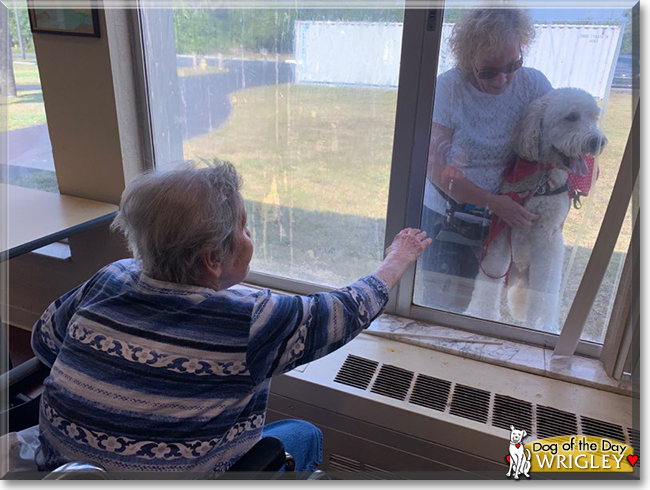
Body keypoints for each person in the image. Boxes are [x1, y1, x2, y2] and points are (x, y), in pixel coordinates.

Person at [30, 160, 431, 475]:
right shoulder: (249, 320)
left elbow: (44, 341)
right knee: (303, 435)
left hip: (61, 473)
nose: (250, 236)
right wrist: (398, 257)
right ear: (213, 259)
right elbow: (345, 311)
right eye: (244, 227)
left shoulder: (110, 277)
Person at [418, 8, 553, 312]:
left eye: (513, 65)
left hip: (501, 219)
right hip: (447, 216)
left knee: (487, 304)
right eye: (489, 71)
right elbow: (435, 167)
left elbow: (560, 128)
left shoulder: (533, 84)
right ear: (468, 60)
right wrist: (494, 202)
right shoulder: (449, 88)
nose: (503, 79)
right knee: (444, 305)